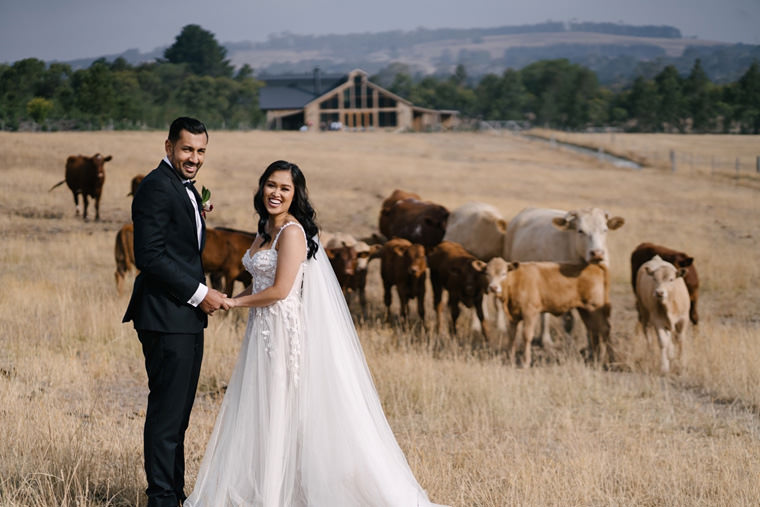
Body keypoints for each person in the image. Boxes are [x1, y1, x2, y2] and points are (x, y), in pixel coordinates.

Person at [185, 160, 446, 506]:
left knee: (283, 408)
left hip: (282, 331)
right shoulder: (264, 227)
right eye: (271, 185)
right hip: (260, 331)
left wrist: (233, 302)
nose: (275, 193)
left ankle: (283, 495)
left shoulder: (292, 232)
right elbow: (259, 275)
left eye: (284, 188)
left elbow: (280, 290)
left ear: (296, 195)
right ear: (261, 187)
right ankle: (268, 488)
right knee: (261, 409)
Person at [123, 116, 229, 507]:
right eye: (187, 149)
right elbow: (148, 255)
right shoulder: (155, 187)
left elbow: (175, 243)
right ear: (168, 147)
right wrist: (200, 293)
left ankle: (174, 495)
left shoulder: (182, 188)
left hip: (182, 318)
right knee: (168, 416)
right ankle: (163, 499)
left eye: (201, 151)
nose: (194, 158)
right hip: (165, 316)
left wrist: (195, 216)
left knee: (179, 414)